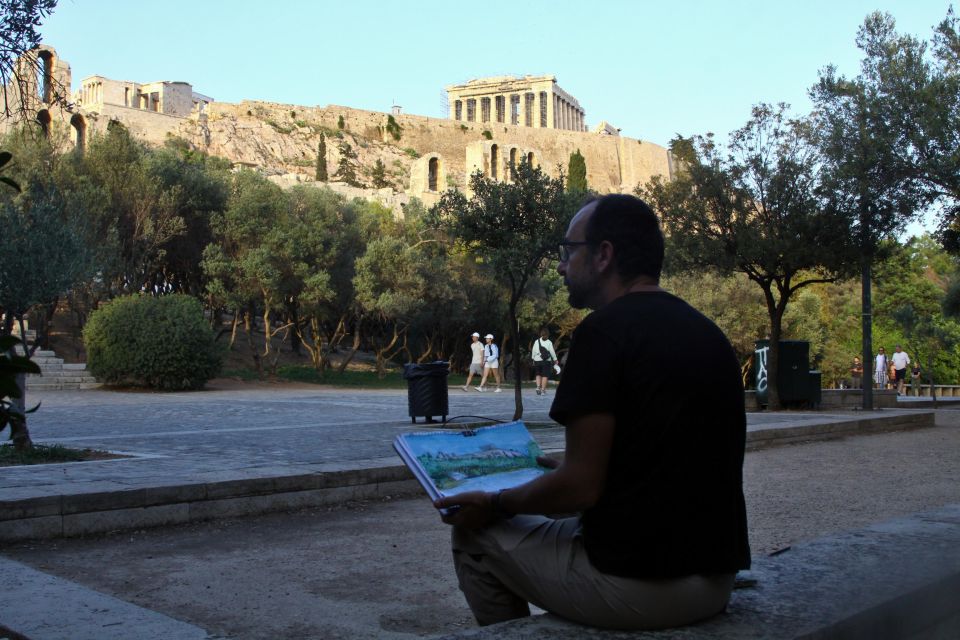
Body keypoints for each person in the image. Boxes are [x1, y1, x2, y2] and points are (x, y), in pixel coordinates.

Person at [435, 194, 750, 631]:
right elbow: (668, 455)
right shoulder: (706, 331)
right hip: (715, 578)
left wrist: (495, 502)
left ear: (603, 255)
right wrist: (573, 466)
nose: (562, 266)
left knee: (473, 535)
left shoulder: (602, 332)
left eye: (569, 252)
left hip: (642, 586)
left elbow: (580, 490)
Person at [531, 328, 559, 396]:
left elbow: (533, 351)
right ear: (548, 334)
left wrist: (533, 358)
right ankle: (543, 390)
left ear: (541, 334)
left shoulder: (536, 341)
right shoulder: (549, 342)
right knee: (545, 376)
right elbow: (552, 352)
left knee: (538, 374)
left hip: (537, 360)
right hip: (546, 361)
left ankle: (538, 387)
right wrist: (555, 359)